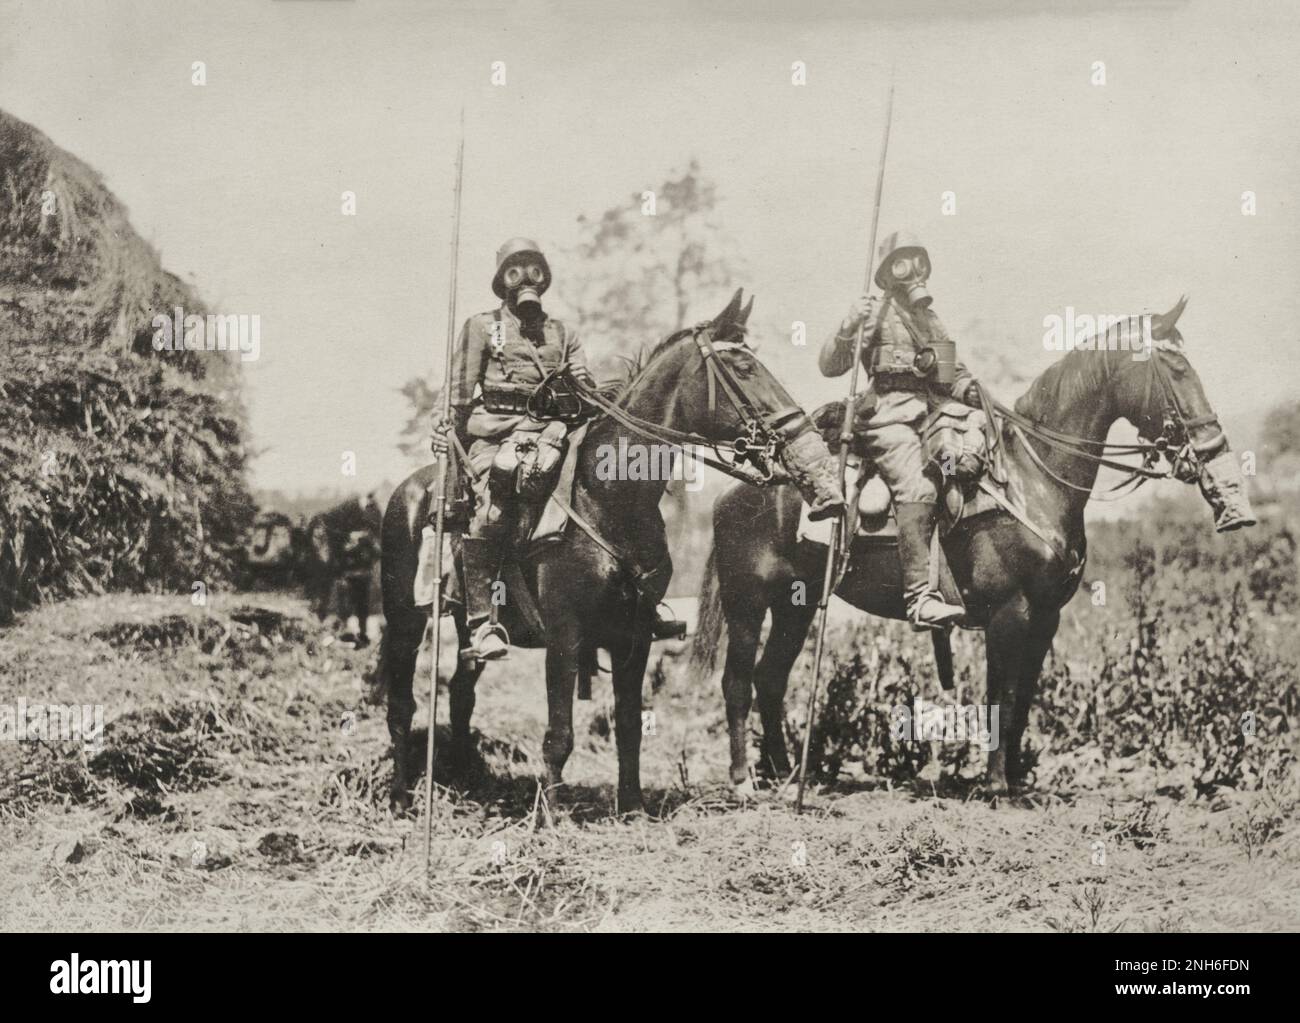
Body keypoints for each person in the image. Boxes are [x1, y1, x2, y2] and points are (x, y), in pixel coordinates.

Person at [819, 231, 982, 629]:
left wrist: (973, 391)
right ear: (888, 271)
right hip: (886, 416)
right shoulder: (872, 314)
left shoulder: (930, 319)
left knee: (977, 454)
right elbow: (830, 365)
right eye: (902, 262)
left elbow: (948, 377)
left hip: (930, 412)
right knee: (918, 487)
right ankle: (919, 598)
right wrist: (847, 325)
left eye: (917, 261)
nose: (913, 271)